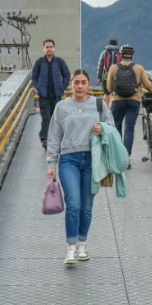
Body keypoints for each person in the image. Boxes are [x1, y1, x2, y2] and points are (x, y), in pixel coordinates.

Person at [46, 70, 110, 265]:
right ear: (70, 85)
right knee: (73, 203)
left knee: (87, 206)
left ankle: (83, 244)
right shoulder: (62, 107)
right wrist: (51, 163)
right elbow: (54, 135)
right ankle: (71, 247)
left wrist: (103, 129)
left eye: (83, 82)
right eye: (76, 83)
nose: (80, 86)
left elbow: (112, 127)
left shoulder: (99, 105)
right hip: (68, 160)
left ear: (89, 84)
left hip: (93, 160)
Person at [106, 44, 152, 167]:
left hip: (117, 101)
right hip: (134, 101)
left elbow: (109, 88)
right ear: (132, 56)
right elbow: (148, 86)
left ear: (120, 55)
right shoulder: (139, 68)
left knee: (117, 127)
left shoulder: (113, 68)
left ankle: (118, 156)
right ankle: (126, 158)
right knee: (129, 129)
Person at [30, 39, 71, 150]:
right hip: (44, 96)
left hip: (57, 95)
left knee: (57, 118)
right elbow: (34, 76)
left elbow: (67, 75)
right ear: (44, 49)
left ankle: (57, 139)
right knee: (46, 118)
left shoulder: (59, 62)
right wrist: (38, 87)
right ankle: (45, 139)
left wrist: (63, 87)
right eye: (47, 47)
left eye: (51, 47)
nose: (49, 49)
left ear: (54, 48)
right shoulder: (39, 62)